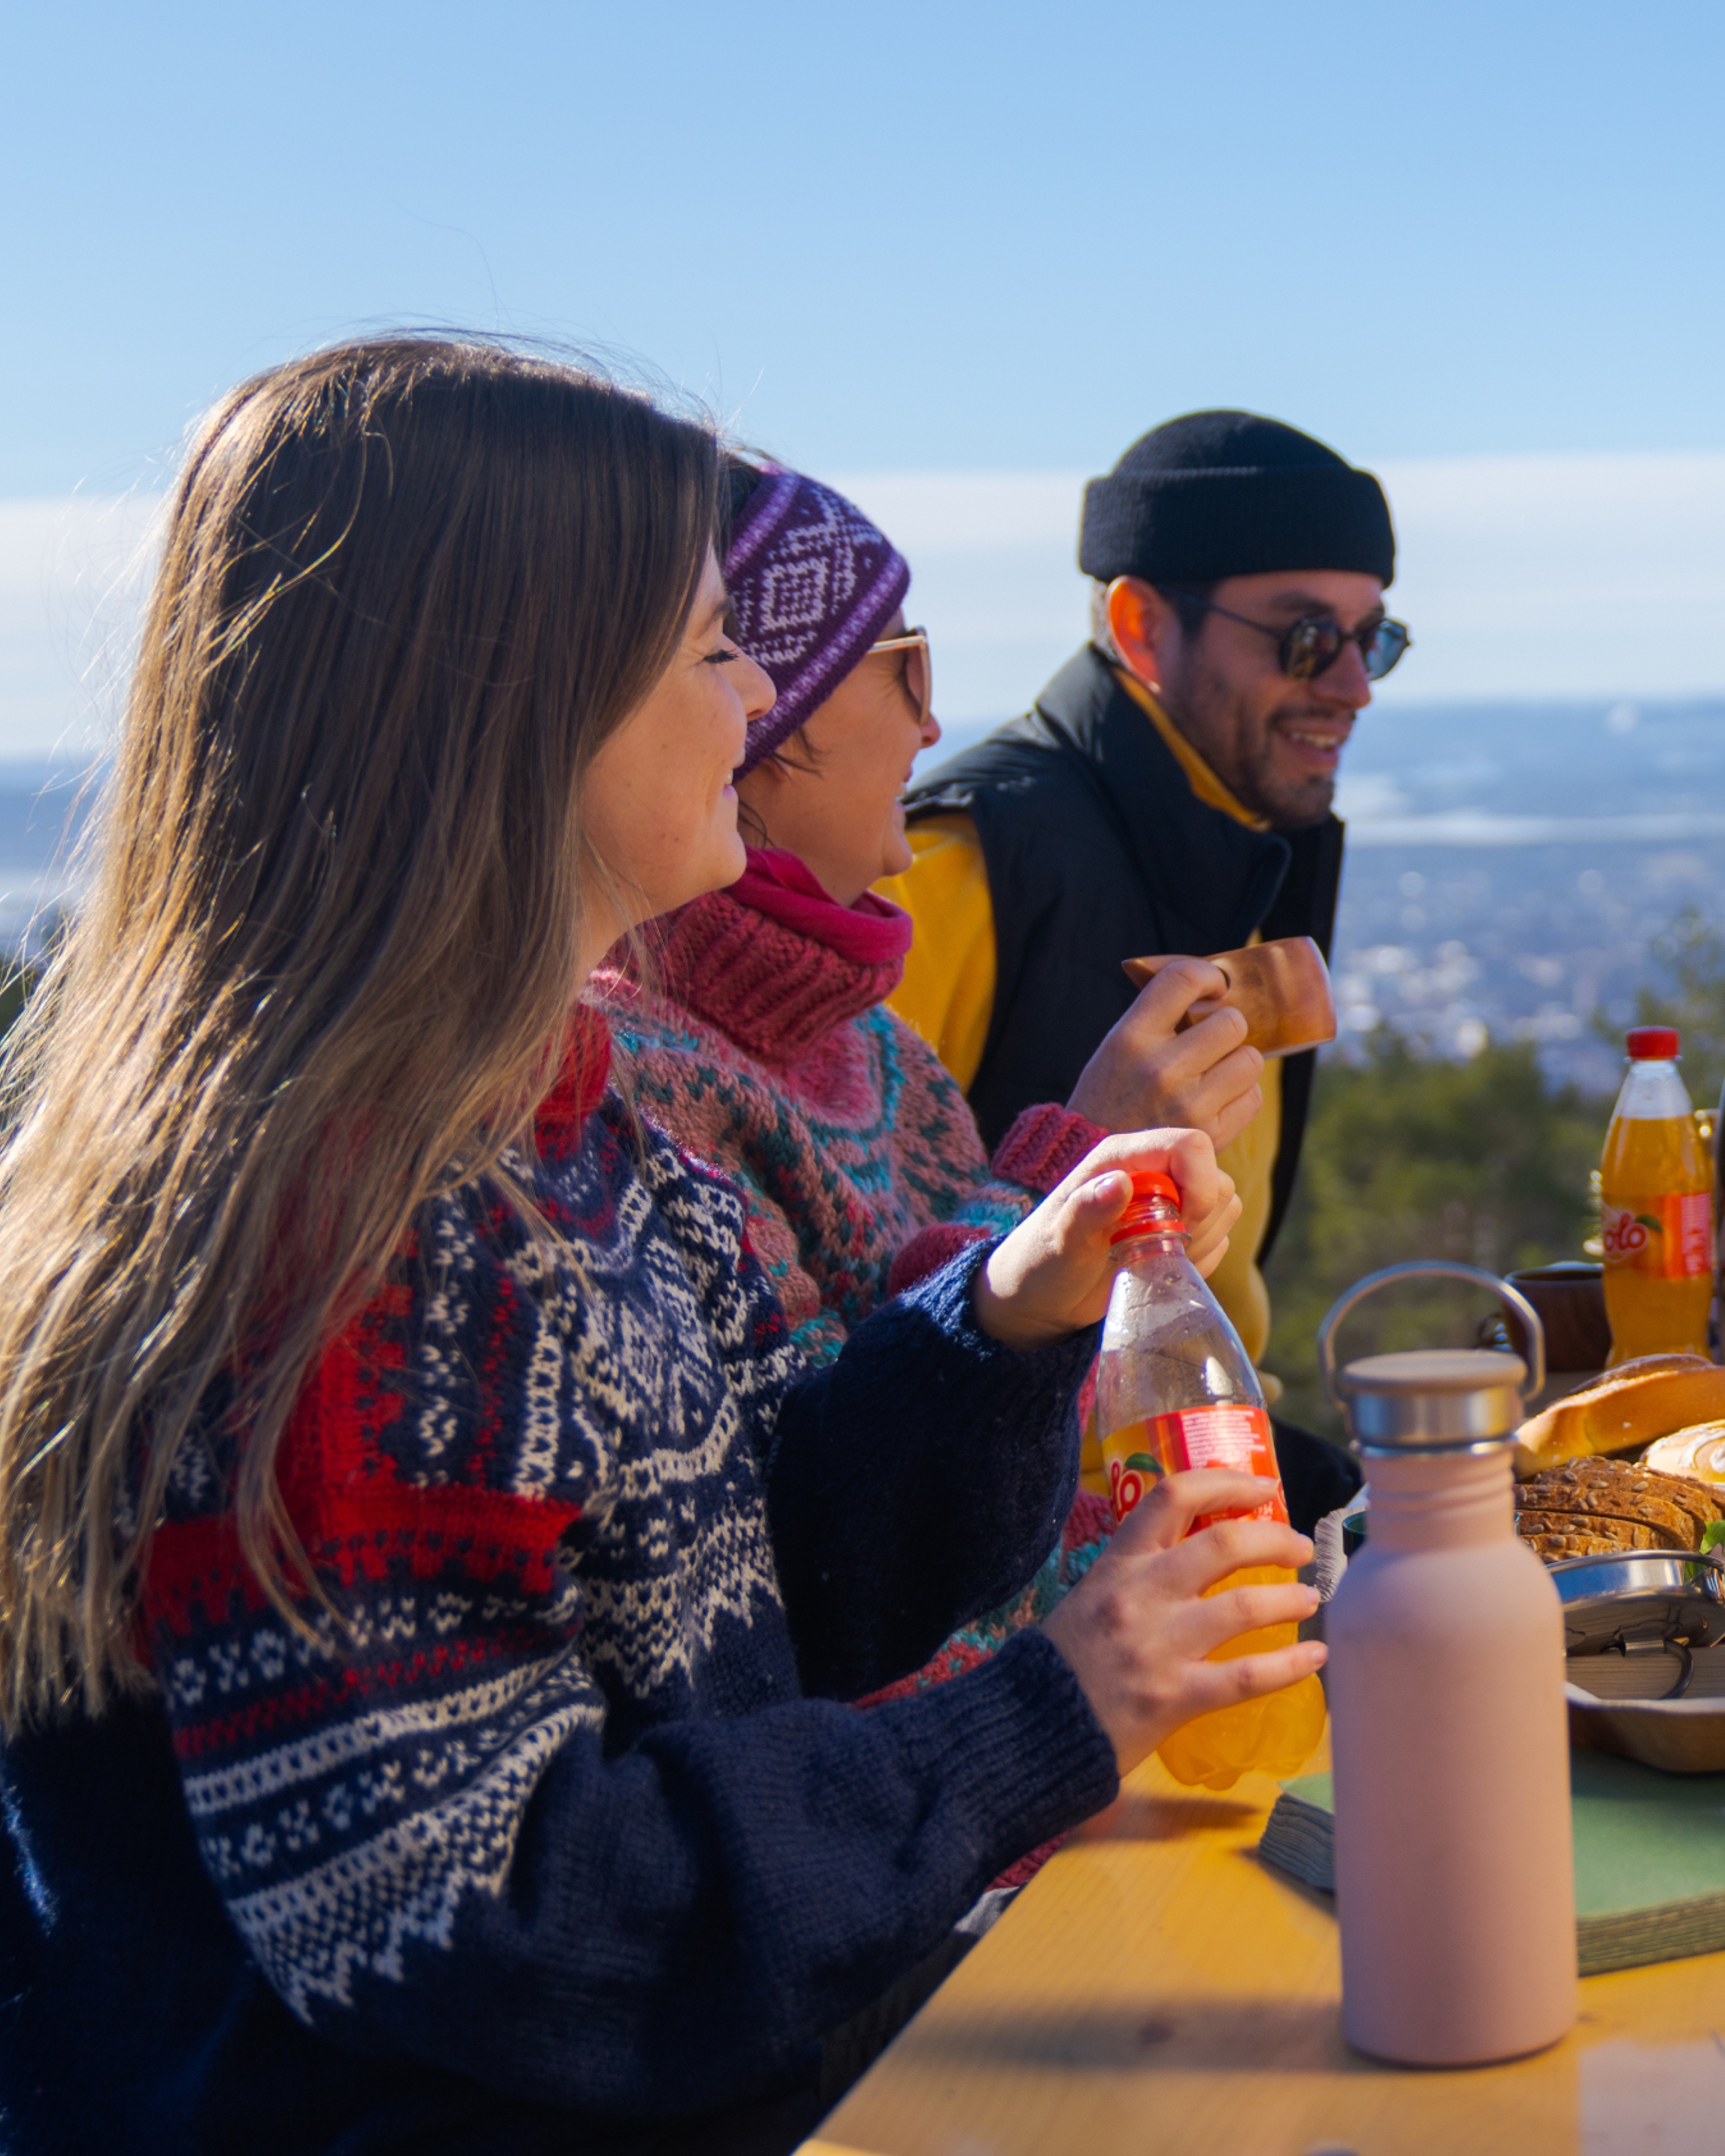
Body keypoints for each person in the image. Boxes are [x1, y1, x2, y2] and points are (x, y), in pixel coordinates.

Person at [0, 338, 1325, 2152]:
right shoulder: (352, 1242)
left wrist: (1003, 1320)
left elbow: (716, 1612)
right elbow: (503, 1929)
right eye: (717, 651)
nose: (756, 707)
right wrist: (1049, 1712)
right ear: (524, 700)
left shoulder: (562, 1126)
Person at [588, 457, 1284, 1694]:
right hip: (963, 1797)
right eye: (904, 665)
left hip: (1058, 1730)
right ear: (770, 717)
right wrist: (1071, 1167)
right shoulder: (622, 1074)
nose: (929, 723)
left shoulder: (881, 1053)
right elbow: (821, 1555)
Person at [883, 411, 1396, 1390]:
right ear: (1140, 625)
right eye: (1306, 637)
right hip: (1037, 1530)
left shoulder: (1242, 863)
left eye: (1374, 638)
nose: (1353, 684)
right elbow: (844, 1289)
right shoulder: (952, 868)